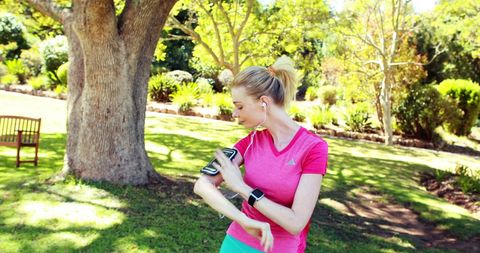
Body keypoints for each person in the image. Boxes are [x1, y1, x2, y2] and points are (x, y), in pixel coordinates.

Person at [193, 56, 328, 253]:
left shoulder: (314, 148)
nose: (234, 113)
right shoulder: (250, 142)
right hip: (235, 243)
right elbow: (202, 184)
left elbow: (296, 222)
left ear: (263, 102)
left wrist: (242, 188)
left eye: (239, 106)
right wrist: (244, 220)